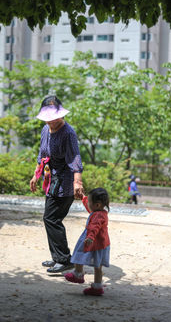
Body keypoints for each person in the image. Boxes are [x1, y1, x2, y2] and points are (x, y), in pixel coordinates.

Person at [30, 96, 83, 273]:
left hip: (65, 182)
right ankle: (58, 257)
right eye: (48, 117)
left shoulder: (68, 133)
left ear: (60, 115)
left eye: (54, 116)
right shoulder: (46, 129)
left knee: (52, 218)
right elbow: (42, 154)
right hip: (50, 179)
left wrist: (78, 182)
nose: (51, 121)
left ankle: (64, 259)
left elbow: (75, 158)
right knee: (50, 218)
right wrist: (35, 175)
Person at [64, 187, 110, 296]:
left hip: (93, 240)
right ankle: (97, 287)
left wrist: (90, 237)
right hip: (102, 243)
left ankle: (78, 274)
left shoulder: (98, 215)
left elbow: (94, 227)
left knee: (79, 254)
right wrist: (83, 198)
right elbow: (90, 209)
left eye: (89, 202)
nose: (88, 204)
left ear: (97, 204)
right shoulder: (100, 212)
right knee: (98, 266)